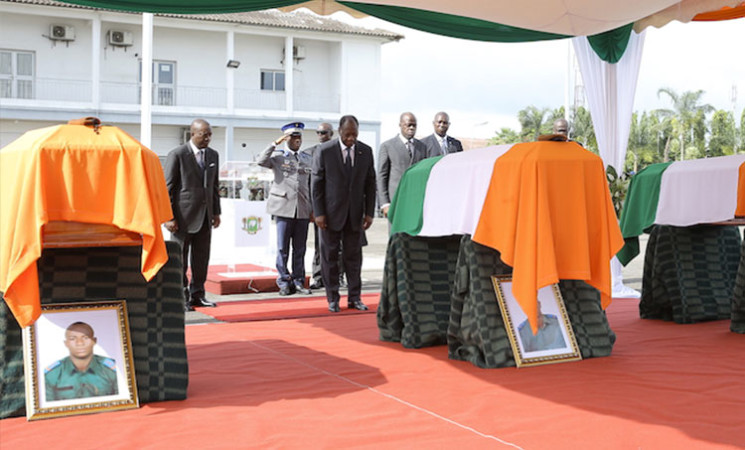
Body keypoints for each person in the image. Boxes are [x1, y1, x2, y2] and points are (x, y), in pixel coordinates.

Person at [311, 115, 376, 313]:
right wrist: (319, 213)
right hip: (330, 215)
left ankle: (354, 298)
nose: (351, 139)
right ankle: (332, 298)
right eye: (347, 135)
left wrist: (369, 213)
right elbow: (316, 184)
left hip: (355, 215)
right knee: (329, 257)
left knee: (353, 257)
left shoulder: (366, 151)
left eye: (354, 135)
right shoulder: (325, 151)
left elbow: (370, 184)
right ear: (340, 131)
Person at [164, 118, 221, 311]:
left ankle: (199, 294)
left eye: (210, 134)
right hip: (182, 219)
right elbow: (168, 189)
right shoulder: (178, 154)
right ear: (193, 133)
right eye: (204, 134)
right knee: (179, 258)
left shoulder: (213, 155)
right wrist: (169, 217)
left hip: (205, 217)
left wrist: (216, 212)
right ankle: (182, 296)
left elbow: (214, 186)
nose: (208, 138)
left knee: (201, 258)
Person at [258, 122, 313, 296]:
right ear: (286, 139)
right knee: (282, 248)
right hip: (283, 207)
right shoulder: (279, 157)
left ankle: (298, 281)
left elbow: (311, 183)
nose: (297, 140)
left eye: (299, 137)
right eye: (293, 137)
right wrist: (275, 143)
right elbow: (261, 160)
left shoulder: (307, 158)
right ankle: (283, 281)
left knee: (300, 249)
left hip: (302, 209)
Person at [302, 122, 344, 291]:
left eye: (324, 132)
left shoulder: (340, 152)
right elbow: (309, 184)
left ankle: (338, 276)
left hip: (338, 206)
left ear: (331, 134)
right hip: (319, 207)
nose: (321, 135)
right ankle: (318, 276)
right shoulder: (309, 154)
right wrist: (313, 208)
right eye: (318, 132)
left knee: (338, 246)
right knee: (321, 244)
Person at [45, 322, 118, 401]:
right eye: (73, 339)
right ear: (66, 343)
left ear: (94, 341)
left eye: (85, 337)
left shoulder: (113, 370)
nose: (80, 343)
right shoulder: (52, 375)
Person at [376, 112, 427, 218]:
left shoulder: (422, 147)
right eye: (408, 125)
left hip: (416, 202)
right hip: (396, 202)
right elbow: (381, 176)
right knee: (397, 234)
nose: (411, 128)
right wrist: (385, 203)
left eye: (414, 125)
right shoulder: (387, 146)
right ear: (400, 125)